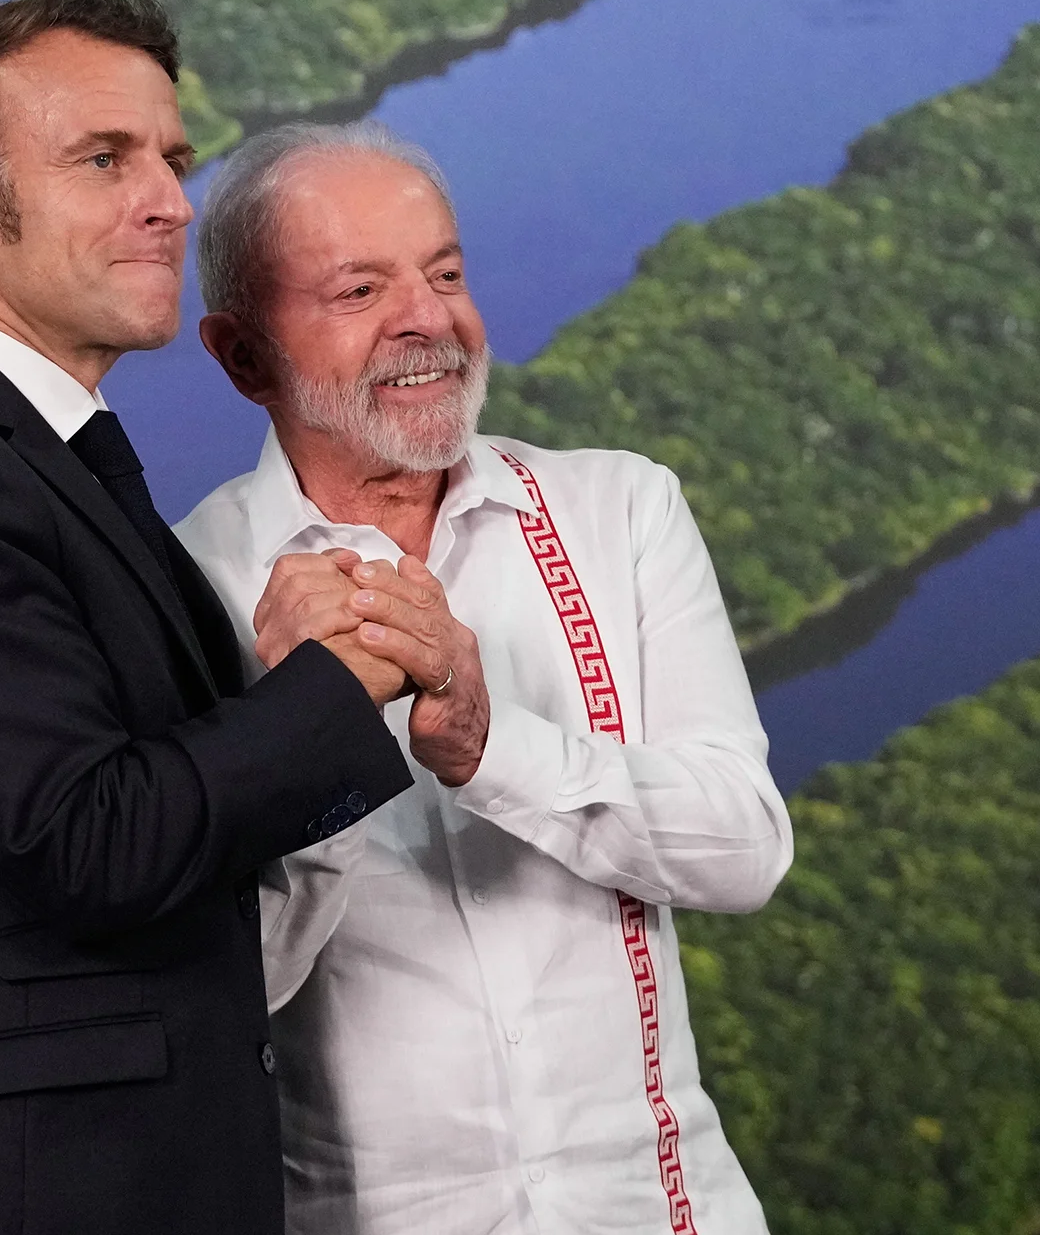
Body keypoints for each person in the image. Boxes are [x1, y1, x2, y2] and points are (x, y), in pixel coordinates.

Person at [0, 0, 415, 1235]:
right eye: (103, 159)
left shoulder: (37, 461)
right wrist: (337, 674)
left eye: (172, 158)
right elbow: (91, 842)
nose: (169, 199)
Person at [174, 120, 796, 1234]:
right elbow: (214, 998)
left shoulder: (621, 506)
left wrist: (485, 739)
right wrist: (313, 736)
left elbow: (744, 850)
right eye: (361, 288)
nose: (429, 319)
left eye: (446, 272)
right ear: (242, 355)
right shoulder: (186, 588)